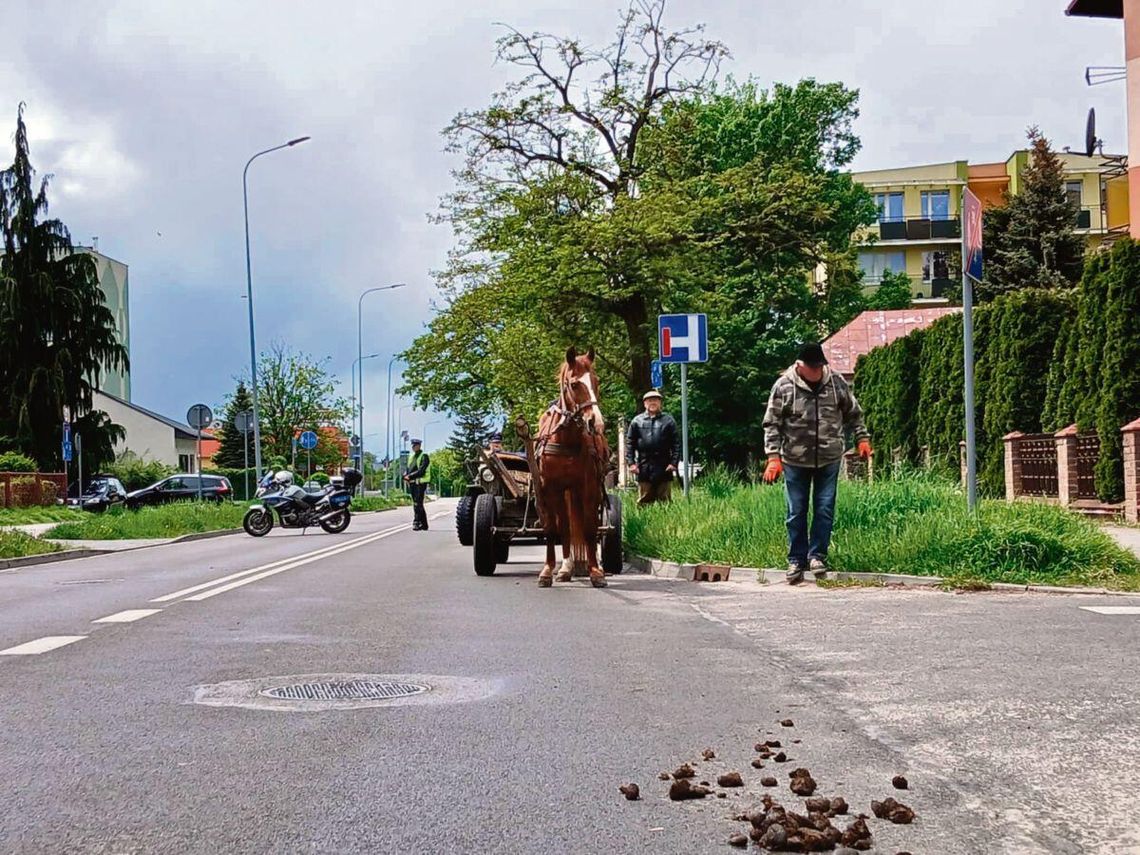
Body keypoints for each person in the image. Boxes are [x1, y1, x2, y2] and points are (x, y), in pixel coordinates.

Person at [762, 343, 872, 585]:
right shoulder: (783, 386)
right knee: (796, 511)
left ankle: (817, 556)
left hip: (829, 457)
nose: (817, 371)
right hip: (795, 459)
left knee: (824, 509)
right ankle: (796, 560)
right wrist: (773, 458)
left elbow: (854, 412)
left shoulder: (835, 382)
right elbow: (772, 423)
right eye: (813, 367)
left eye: (820, 366)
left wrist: (862, 437)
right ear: (800, 367)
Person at [626, 389, 680, 505]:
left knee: (665, 501)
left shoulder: (669, 421)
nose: (653, 403)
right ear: (645, 403)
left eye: (655, 400)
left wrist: (673, 463)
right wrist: (631, 463)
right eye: (650, 401)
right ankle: (644, 521)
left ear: (660, 403)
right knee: (644, 501)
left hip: (664, 465)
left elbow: (676, 444)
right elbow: (630, 443)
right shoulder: (636, 421)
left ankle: (666, 522)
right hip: (644, 466)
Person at [404, 439, 431, 531]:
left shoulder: (424, 456)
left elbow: (421, 471)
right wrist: (405, 476)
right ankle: (424, 524)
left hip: (420, 482)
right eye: (412, 445)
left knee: (417, 503)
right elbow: (408, 469)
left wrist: (410, 476)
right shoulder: (411, 457)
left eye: (415, 445)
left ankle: (416, 522)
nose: (413, 447)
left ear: (419, 446)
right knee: (418, 504)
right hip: (412, 483)